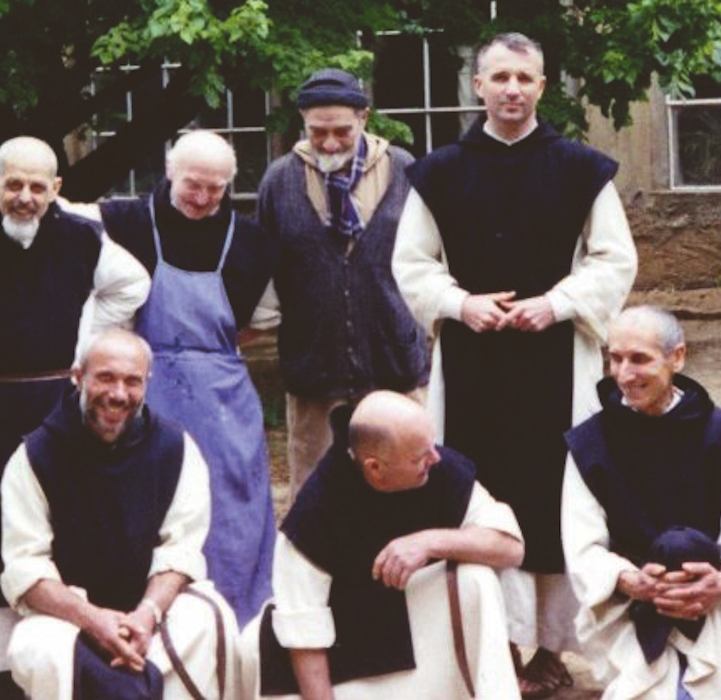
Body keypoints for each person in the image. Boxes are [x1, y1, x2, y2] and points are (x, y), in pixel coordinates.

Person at [0, 131, 279, 627]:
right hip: (141, 385)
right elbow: (44, 203)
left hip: (221, 398)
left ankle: (228, 635)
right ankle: (137, 623)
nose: (202, 199)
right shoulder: (124, 220)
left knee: (233, 520)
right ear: (168, 171)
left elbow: (261, 319)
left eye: (216, 188)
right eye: (192, 185)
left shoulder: (251, 241)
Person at [393, 32, 637, 696]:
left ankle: (552, 650)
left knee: (561, 500)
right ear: (477, 85)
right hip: (472, 366)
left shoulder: (582, 167)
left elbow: (615, 259)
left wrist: (557, 305)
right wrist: (460, 303)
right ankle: (493, 641)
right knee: (479, 490)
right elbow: (411, 263)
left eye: (524, 78)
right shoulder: (440, 171)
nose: (511, 90)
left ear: (542, 86)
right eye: (499, 76)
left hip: (558, 366)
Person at [0, 136, 150, 691]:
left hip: (57, 406)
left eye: (38, 187)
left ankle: (66, 652)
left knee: (62, 524)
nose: (24, 197)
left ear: (56, 190)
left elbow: (131, 285)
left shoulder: (80, 234)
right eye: (12, 184)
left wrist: (81, 349)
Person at [0, 329, 238, 699]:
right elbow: (26, 566)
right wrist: (94, 620)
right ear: (78, 377)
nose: (118, 394)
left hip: (149, 614)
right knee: (38, 647)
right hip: (71, 619)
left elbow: (182, 548)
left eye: (132, 381)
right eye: (106, 377)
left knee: (210, 618)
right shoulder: (34, 457)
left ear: (147, 384)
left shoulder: (176, 449)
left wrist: (146, 614)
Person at [238, 391, 526, 699]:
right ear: (375, 468)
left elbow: (510, 548)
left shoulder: (437, 466)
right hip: (349, 640)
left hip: (418, 619)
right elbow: (303, 629)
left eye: (431, 445)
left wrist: (430, 542)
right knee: (252, 646)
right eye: (420, 457)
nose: (436, 458)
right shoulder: (316, 510)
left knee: (476, 580)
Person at [561, 306, 721, 699]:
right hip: (628, 605)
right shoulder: (590, 444)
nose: (624, 374)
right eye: (615, 358)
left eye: (639, 359)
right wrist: (632, 581)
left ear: (677, 357)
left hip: (716, 605)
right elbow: (583, 545)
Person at [256, 68, 429, 500]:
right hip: (315, 364)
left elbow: (431, 259)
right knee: (316, 495)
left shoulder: (405, 170)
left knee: (406, 487)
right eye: (318, 132)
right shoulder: (279, 180)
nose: (330, 143)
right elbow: (262, 269)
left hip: (393, 358)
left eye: (341, 131)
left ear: (364, 119)